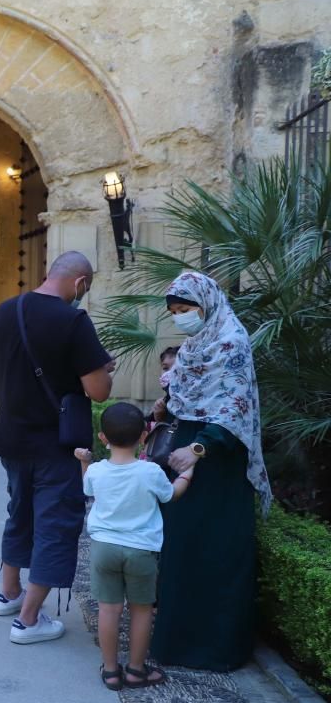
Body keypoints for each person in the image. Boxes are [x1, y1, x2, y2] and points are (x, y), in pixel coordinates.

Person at [0, 251, 114, 644]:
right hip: (57, 445)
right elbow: (98, 391)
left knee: (19, 512)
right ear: (80, 283)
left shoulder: (7, 310)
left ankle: (8, 593)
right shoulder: (74, 320)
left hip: (11, 437)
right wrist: (102, 368)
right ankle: (29, 619)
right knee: (56, 524)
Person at [152, 271, 270, 671]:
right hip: (184, 457)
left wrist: (199, 448)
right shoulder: (191, 345)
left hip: (216, 462)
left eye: (186, 309)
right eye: (175, 311)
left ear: (207, 303)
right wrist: (165, 405)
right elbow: (184, 395)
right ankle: (173, 643)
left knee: (216, 552)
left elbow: (234, 407)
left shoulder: (232, 342)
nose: (181, 317)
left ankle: (216, 650)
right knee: (181, 547)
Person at [74, 403, 194, 691]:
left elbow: (87, 489)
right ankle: (137, 670)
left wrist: (84, 462)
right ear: (144, 436)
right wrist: (188, 472)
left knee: (109, 609)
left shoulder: (97, 471)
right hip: (141, 550)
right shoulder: (150, 472)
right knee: (141, 610)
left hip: (104, 548)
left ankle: (112, 671)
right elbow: (172, 495)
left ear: (102, 437)